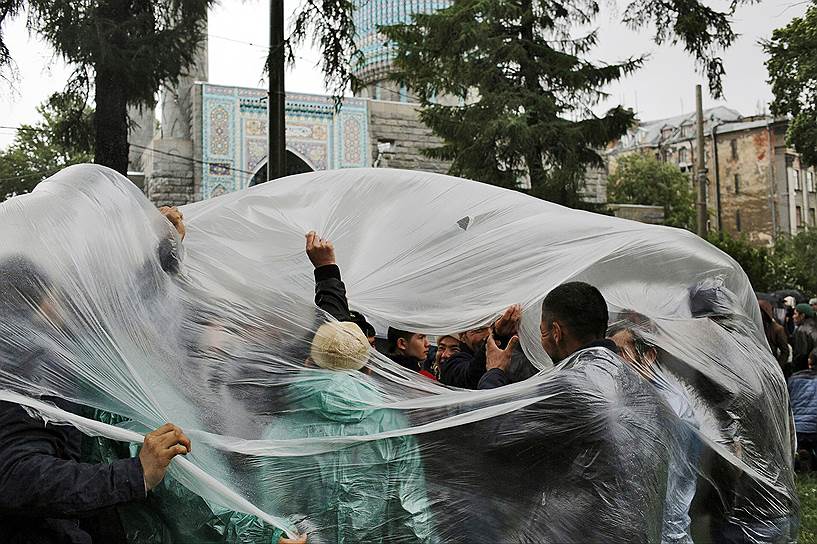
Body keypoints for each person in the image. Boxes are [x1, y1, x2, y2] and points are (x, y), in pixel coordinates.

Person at [0, 254, 193, 544]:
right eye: (58, 294)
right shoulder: (29, 365)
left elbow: (112, 313)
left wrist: (160, 255)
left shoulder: (28, 350)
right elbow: (17, 475)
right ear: (42, 303)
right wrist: (135, 473)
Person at [609, 320, 699, 544]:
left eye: (621, 353)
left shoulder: (669, 407)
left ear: (648, 356)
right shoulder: (640, 398)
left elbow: (663, 489)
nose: (613, 363)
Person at [480, 283, 616, 389]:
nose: (541, 341)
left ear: (556, 332)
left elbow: (496, 423)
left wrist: (495, 371)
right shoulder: (623, 370)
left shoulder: (565, 388)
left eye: (542, 331)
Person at [439, 304, 521, 389]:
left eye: (492, 327)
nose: (488, 334)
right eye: (479, 330)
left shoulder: (512, 351)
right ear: (462, 336)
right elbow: (470, 377)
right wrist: (496, 335)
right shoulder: (452, 365)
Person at [788, 348, 817, 471]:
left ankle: (802, 452)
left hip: (797, 428)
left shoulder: (793, 379)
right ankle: (809, 457)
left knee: (802, 444)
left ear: (809, 362)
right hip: (815, 430)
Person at [759, 299, 791, 378]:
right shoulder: (754, 326)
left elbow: (785, 351)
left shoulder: (777, 329)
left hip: (771, 367)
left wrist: (777, 369)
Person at [793, 303, 817, 372]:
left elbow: (801, 354)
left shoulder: (801, 330)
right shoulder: (814, 325)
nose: (793, 316)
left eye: (795, 314)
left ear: (802, 315)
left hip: (805, 369)